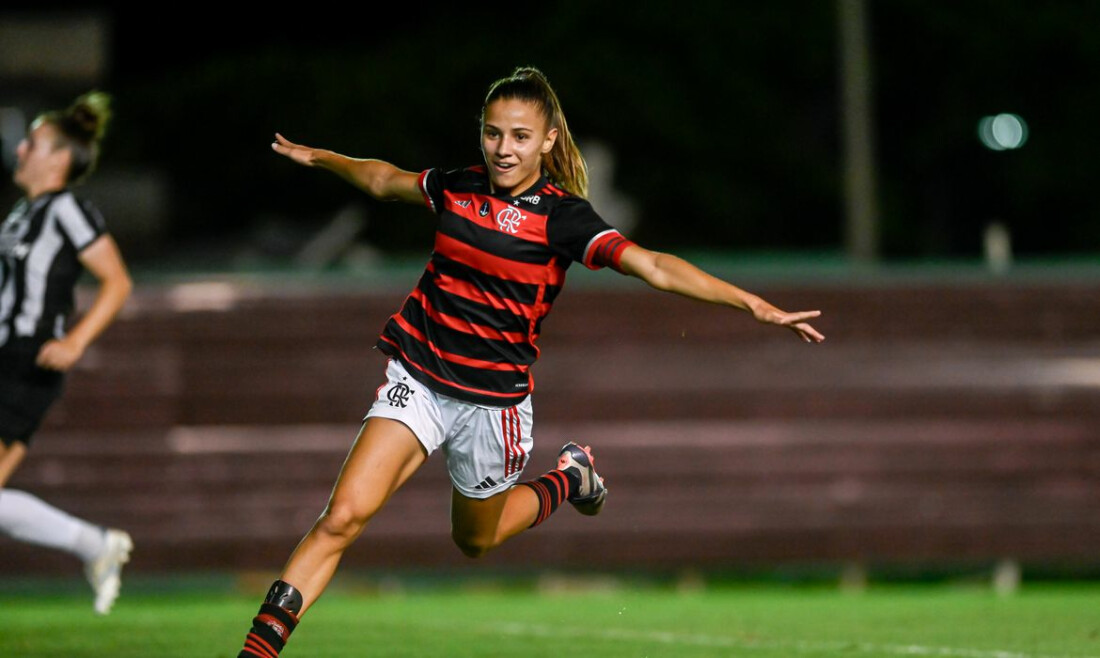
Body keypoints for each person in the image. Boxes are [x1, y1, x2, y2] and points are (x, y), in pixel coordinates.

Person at [237, 66, 823, 658]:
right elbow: (384, 180)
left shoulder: (564, 217)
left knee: (474, 541)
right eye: (493, 134)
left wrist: (752, 304)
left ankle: (570, 478)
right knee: (342, 518)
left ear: (547, 141)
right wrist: (324, 158)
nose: (504, 149)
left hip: (492, 406)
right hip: (419, 379)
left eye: (520, 136)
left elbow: (653, 265)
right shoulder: (458, 186)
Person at [0, 92, 134, 615]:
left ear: (58, 158)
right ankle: (94, 545)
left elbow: (117, 281)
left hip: (26, 364)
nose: (20, 151)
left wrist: (76, 341)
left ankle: (93, 544)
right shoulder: (21, 215)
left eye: (32, 143)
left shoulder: (67, 209)